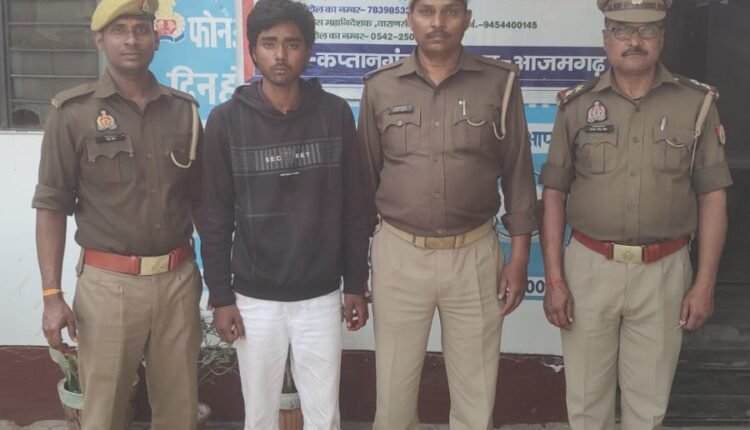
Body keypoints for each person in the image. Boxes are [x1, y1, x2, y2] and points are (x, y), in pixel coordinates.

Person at [540, 1, 732, 429]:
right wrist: (554, 280)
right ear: (605, 38)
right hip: (589, 268)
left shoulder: (696, 104)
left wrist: (704, 283)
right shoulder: (576, 105)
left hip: (664, 271)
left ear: (662, 37)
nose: (634, 41)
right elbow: (553, 195)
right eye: (622, 30)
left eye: (646, 31)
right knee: (586, 405)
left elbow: (713, 197)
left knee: (648, 407)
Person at [357, 0, 538, 428]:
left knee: (476, 396)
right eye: (426, 11)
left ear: (467, 19)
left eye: (450, 11)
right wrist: (355, 267)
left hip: (474, 255)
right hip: (399, 254)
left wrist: (519, 258)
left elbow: (518, 173)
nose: (438, 22)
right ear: (410, 19)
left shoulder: (499, 83)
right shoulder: (380, 87)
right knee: (393, 398)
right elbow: (364, 179)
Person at [32, 0, 203, 428]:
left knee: (179, 411)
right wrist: (52, 295)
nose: (131, 40)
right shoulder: (72, 114)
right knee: (104, 413)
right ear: (100, 40)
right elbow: (51, 205)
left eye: (141, 29)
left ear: (156, 39)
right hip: (108, 286)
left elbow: (204, 200)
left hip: (178, 282)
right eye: (119, 30)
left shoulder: (184, 111)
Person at [199, 0, 370, 428]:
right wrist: (221, 296)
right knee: (258, 415)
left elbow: (355, 207)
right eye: (269, 43)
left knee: (324, 415)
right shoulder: (226, 121)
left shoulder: (334, 115)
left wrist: (355, 283)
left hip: (320, 295)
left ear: (307, 50)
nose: (280, 55)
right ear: (253, 50)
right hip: (254, 298)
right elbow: (214, 217)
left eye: (292, 44)